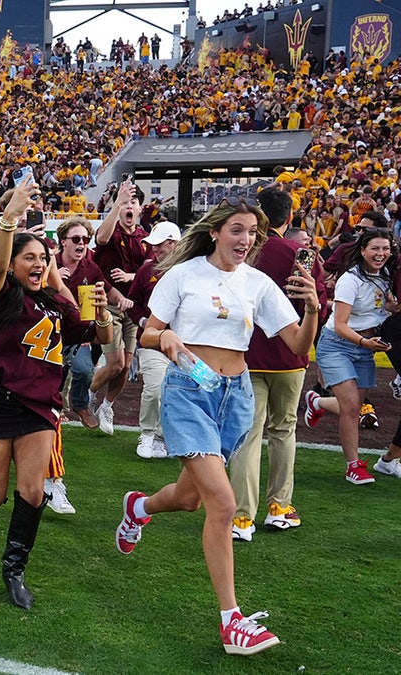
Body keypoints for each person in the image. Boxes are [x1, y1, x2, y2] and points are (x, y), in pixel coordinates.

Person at [117, 197, 320, 656]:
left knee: (191, 498)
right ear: (215, 232)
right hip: (188, 391)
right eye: (237, 230)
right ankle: (233, 621)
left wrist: (311, 309)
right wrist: (164, 336)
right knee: (224, 504)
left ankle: (139, 508)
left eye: (252, 232)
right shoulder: (182, 275)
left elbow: (297, 347)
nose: (245, 239)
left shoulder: (260, 283)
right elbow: (149, 331)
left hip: (236, 397)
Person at [0, 180, 111, 610]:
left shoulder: (57, 303)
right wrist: (8, 219)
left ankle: (14, 569)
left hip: (39, 406)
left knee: (34, 491)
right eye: (29, 258)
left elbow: (93, 333)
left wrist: (107, 320)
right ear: (14, 263)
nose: (38, 264)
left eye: (43, 258)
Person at [228, 188, 327, 540]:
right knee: (283, 431)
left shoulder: (241, 252)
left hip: (246, 353)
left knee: (249, 435)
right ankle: (279, 507)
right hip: (289, 355)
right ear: (288, 218)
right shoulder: (298, 253)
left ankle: (241, 517)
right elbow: (319, 304)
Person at [304, 226, 395, 485]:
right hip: (338, 344)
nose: (381, 253)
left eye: (385, 248)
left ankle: (317, 402)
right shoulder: (350, 280)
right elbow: (341, 324)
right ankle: (353, 466)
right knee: (353, 407)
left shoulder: (387, 275)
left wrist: (390, 308)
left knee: (352, 406)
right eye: (375, 248)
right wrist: (365, 341)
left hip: (365, 345)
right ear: (363, 250)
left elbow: (379, 308)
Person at [89, 182, 146, 434]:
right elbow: (100, 238)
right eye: (125, 204)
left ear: (140, 208)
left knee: (125, 367)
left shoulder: (145, 238)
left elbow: (152, 269)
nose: (128, 207)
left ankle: (107, 405)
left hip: (133, 309)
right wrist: (116, 202)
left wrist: (131, 276)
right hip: (107, 306)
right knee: (114, 363)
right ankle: (87, 395)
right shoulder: (112, 232)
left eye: (133, 202)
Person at [125, 221, 182, 459]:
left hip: (183, 345)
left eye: (160, 244)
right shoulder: (146, 271)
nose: (155, 249)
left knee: (180, 393)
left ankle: (161, 436)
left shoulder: (190, 270)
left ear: (174, 244)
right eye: (154, 245)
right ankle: (148, 433)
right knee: (156, 387)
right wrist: (142, 322)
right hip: (152, 342)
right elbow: (133, 304)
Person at [54, 218, 107, 430]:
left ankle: (80, 403)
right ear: (63, 241)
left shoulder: (91, 268)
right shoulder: (48, 263)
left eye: (86, 239)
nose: (82, 243)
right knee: (52, 375)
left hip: (78, 334)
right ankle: (54, 409)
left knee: (85, 370)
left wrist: (119, 299)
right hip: (51, 332)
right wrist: (51, 277)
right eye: (76, 238)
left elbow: (102, 291)